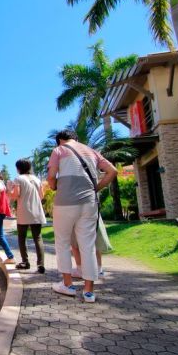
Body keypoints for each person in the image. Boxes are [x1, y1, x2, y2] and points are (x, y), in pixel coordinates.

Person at [47, 129, 117, 303]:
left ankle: (68, 285)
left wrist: (54, 186)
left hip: (65, 203)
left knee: (62, 242)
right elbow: (112, 171)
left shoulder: (59, 150)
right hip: (89, 203)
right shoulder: (91, 150)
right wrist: (96, 188)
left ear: (60, 141)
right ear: (75, 139)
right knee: (88, 245)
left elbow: (50, 176)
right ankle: (89, 292)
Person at [8, 158, 46, 272]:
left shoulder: (18, 179)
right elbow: (41, 196)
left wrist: (9, 190)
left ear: (18, 168)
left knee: (22, 238)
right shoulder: (36, 179)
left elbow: (16, 195)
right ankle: (41, 264)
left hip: (24, 211)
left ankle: (25, 262)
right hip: (37, 211)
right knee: (38, 238)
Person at [71, 215, 113, 279]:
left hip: (77, 212)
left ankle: (80, 270)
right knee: (95, 240)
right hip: (93, 212)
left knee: (75, 241)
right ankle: (99, 270)